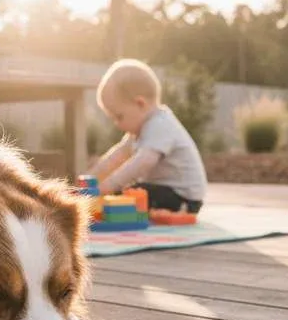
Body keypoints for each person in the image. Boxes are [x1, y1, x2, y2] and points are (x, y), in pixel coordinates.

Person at [88, 58, 208, 213]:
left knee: (128, 194)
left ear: (140, 104)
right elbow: (115, 157)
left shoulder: (160, 125)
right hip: (163, 191)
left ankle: (178, 210)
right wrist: (90, 177)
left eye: (119, 116)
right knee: (129, 192)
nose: (116, 124)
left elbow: (143, 162)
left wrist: (108, 186)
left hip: (183, 196)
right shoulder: (138, 129)